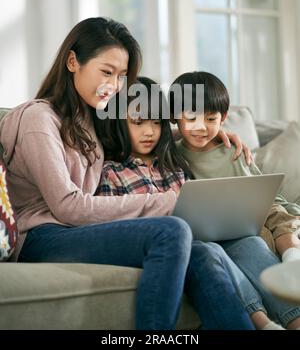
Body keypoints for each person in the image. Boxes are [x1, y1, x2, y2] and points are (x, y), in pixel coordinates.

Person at [0, 17, 254, 330]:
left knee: (200, 253)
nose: (115, 85)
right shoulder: (39, 119)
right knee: (171, 231)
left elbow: (143, 133)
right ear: (72, 61)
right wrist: (168, 201)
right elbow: (68, 206)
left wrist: (211, 135)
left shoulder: (90, 119)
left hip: (72, 232)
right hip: (41, 237)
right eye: (107, 72)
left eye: (121, 76)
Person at [169, 70, 300, 330]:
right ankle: (264, 324)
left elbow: (264, 197)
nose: (200, 126)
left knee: (253, 243)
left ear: (224, 119)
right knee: (214, 254)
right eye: (191, 117)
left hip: (242, 233)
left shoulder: (234, 153)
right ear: (175, 117)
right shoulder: (170, 155)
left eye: (210, 119)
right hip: (202, 241)